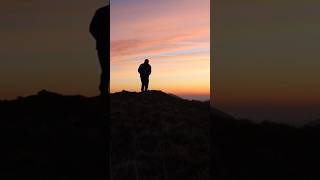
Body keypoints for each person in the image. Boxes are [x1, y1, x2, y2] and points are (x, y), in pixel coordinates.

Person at [90, 5, 110, 96]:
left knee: (107, 71)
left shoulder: (102, 11)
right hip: (103, 47)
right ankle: (104, 93)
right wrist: (102, 39)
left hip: (108, 47)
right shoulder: (101, 12)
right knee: (106, 70)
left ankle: (104, 94)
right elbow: (92, 29)